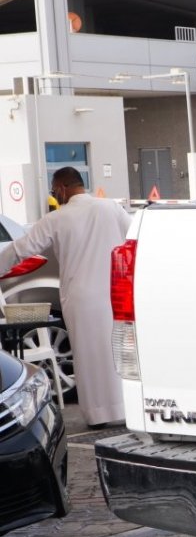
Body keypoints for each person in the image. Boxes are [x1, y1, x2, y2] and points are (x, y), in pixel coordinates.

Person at [0, 167, 130, 427]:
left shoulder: (58, 219)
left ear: (61, 189)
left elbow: (20, 249)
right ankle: (124, 410)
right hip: (115, 292)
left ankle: (98, 415)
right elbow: (134, 237)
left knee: (88, 355)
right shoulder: (111, 208)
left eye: (53, 191)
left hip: (81, 296)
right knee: (117, 351)